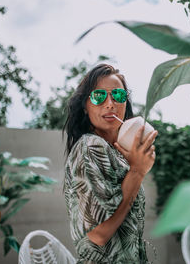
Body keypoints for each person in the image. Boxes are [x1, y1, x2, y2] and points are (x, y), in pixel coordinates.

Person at [63, 63, 158, 263]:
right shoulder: (91, 146)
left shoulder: (115, 151)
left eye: (118, 96)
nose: (110, 104)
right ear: (85, 106)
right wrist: (137, 173)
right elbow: (98, 235)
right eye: (98, 96)